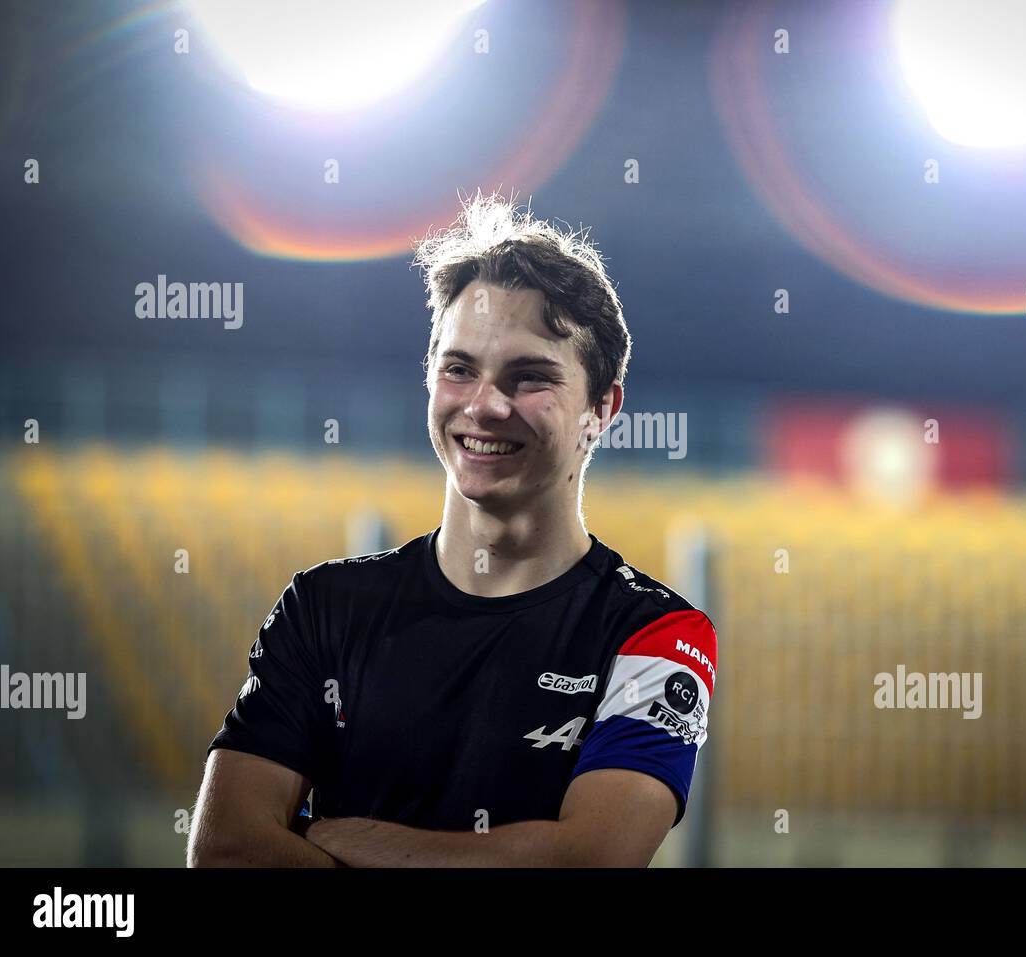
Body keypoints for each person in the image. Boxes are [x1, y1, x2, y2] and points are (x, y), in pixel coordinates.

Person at [186, 191, 718, 867]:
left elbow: (588, 860)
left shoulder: (660, 634)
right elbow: (225, 850)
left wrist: (337, 837)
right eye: (460, 369)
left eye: (529, 377)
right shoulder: (322, 605)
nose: (484, 404)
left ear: (602, 406)